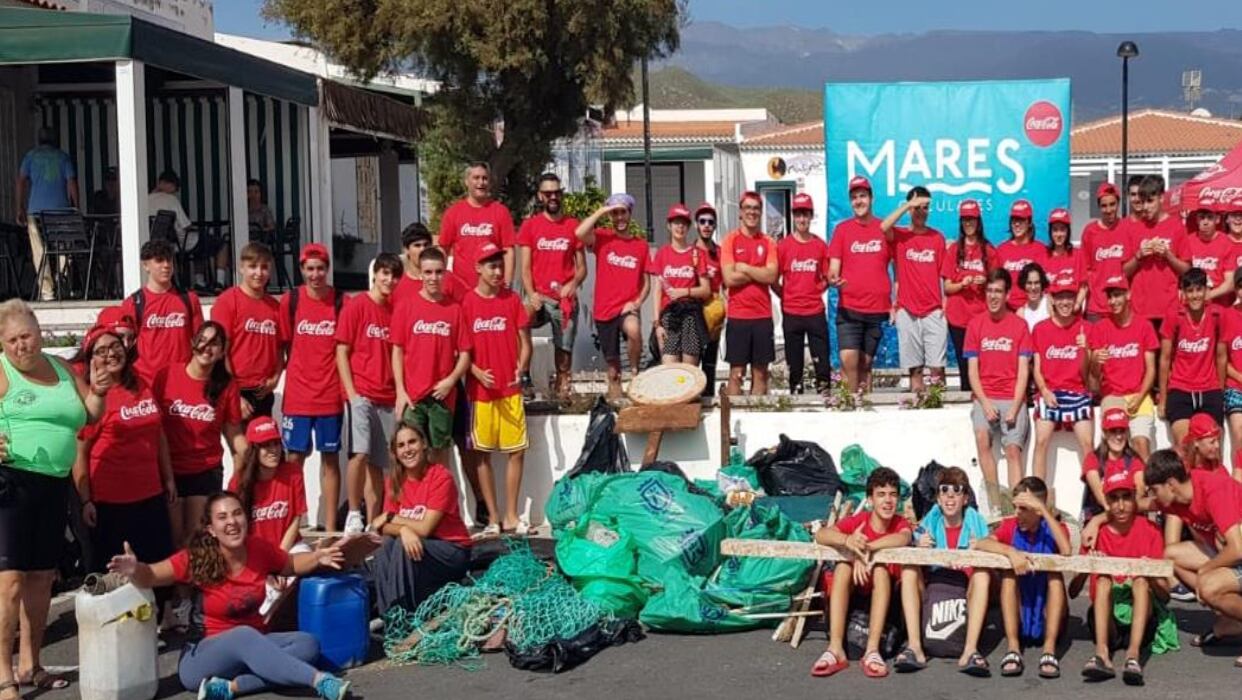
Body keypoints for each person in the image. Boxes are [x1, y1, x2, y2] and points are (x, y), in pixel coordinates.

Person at [106, 492, 351, 700]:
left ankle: (230, 688)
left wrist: (317, 557)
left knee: (308, 645)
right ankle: (319, 681)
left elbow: (292, 564)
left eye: (237, 513)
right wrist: (134, 569)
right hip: (201, 660)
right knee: (244, 636)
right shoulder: (197, 558)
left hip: (253, 648)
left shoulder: (258, 549)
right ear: (211, 529)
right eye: (222, 517)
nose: (232, 522)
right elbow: (151, 575)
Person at [0, 299, 106, 698]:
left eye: (26, 336)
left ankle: (32, 664)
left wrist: (99, 388)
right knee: (9, 583)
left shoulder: (62, 368)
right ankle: (4, 675)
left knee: (43, 578)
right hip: (11, 482)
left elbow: (90, 413)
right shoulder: (2, 370)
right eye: (11, 340)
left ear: (39, 333)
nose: (20, 346)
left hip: (53, 485)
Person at [152, 320, 246, 625]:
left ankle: (186, 601)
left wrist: (248, 457)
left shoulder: (226, 387)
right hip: (168, 468)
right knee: (171, 537)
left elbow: (235, 436)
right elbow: (152, 423)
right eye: (202, 341)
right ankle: (167, 603)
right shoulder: (168, 375)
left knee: (193, 538)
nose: (207, 348)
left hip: (204, 469)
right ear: (193, 343)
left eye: (215, 344)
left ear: (222, 352)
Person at [72, 323, 176, 589]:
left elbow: (160, 434)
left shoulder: (141, 383)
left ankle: (156, 624)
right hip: (111, 503)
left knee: (155, 566)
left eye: (116, 346)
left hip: (150, 495)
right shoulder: (91, 396)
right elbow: (79, 451)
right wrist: (86, 500)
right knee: (114, 578)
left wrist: (168, 478)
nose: (111, 354)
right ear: (91, 359)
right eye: (102, 350)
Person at [811, 467, 911, 679]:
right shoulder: (859, 521)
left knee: (881, 570)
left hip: (885, 598)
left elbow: (903, 538)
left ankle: (872, 651)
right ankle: (835, 649)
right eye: (881, 494)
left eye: (893, 495)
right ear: (870, 499)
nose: (888, 501)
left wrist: (867, 550)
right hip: (855, 594)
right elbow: (821, 534)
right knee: (843, 567)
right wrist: (848, 542)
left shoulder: (900, 522)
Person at [1143, 448, 1242, 660]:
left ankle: (1224, 606)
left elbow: (1237, 548)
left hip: (1237, 549)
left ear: (1170, 484)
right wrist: (1097, 521)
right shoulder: (1178, 496)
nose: (1153, 496)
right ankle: (1230, 619)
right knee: (1172, 555)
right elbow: (1136, 506)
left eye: (1153, 489)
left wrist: (1206, 571)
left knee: (1208, 586)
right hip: (1232, 551)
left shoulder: (1213, 490)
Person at [462, 243, 532, 537]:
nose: (498, 270)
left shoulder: (512, 299)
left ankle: (511, 515)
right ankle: (492, 517)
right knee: (482, 454)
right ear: (478, 268)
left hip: (510, 391)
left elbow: (525, 342)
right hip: (480, 395)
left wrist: (522, 368)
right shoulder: (467, 303)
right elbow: (459, 350)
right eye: (491, 265)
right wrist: (476, 372)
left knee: (517, 451)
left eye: (500, 265)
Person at [895, 467, 992, 676]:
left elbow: (991, 541)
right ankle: (915, 647)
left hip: (963, 588)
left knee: (983, 574)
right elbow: (914, 534)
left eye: (957, 490)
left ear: (965, 498)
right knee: (909, 569)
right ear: (938, 498)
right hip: (934, 587)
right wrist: (918, 542)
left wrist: (981, 545)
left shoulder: (974, 519)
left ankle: (970, 650)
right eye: (944, 490)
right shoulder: (933, 517)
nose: (950, 495)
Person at [367, 423, 472, 615]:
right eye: (401, 445)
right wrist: (402, 529)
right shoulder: (394, 481)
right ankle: (387, 615)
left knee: (401, 546)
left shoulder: (440, 477)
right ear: (395, 452)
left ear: (423, 444)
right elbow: (381, 527)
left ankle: (402, 616)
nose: (407, 449)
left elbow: (425, 529)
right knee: (384, 544)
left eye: (412, 442)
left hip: (451, 550)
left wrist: (393, 519)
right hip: (419, 546)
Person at [974, 477, 1071, 679]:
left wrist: (1044, 510)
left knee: (1055, 577)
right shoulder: (1011, 526)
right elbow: (982, 543)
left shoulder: (1053, 527)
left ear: (1037, 509)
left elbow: (1066, 550)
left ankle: (1049, 649)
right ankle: (1013, 647)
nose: (1017, 513)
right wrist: (1010, 551)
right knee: (1008, 576)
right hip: (1021, 606)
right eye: (1015, 507)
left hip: (1046, 607)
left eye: (1023, 508)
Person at [1081, 471, 1170, 686]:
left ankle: (1133, 656)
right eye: (1114, 498)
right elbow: (1074, 590)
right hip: (1106, 619)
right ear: (1106, 501)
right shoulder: (1095, 532)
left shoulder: (1151, 530)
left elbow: (1165, 595)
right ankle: (1101, 654)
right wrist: (1089, 565)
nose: (1120, 506)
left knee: (1140, 580)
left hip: (1141, 619)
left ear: (1134, 498)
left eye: (1126, 497)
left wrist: (1150, 573)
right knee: (1103, 579)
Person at [335, 254, 402, 534]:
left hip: (386, 397)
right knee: (359, 454)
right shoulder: (357, 305)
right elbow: (341, 350)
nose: (389, 280)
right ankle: (353, 512)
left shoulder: (394, 311)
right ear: (375, 275)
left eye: (394, 275)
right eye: (385, 274)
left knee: (380, 466)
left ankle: (374, 522)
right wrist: (352, 393)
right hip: (361, 393)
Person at [279, 243, 344, 530]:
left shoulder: (342, 302)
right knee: (293, 460)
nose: (315, 274)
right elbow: (282, 343)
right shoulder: (290, 301)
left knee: (330, 459)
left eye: (320, 269)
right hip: (297, 395)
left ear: (327, 270)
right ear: (302, 270)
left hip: (330, 394)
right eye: (310, 269)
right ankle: (295, 522)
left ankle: (329, 527)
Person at [391, 247, 471, 464]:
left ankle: (438, 497)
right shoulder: (406, 306)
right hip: (413, 397)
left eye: (438, 272)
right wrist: (400, 391)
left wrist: (451, 381)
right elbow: (397, 350)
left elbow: (465, 353)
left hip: (442, 397)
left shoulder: (454, 309)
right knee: (409, 455)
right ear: (421, 274)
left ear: (445, 273)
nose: (433, 278)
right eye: (428, 272)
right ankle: (412, 498)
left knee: (440, 455)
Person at [964, 269, 1034, 512]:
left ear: (1006, 295)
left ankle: (1016, 507)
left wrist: (1015, 408)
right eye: (990, 291)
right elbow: (972, 371)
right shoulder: (975, 325)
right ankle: (995, 504)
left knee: (1013, 450)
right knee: (982, 439)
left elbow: (1024, 370)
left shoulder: (1020, 325)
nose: (993, 296)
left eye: (998, 291)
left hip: (1012, 398)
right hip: (985, 397)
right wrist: (984, 403)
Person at [517, 172, 585, 400]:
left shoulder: (573, 225)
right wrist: (532, 293)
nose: (553, 197)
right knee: (520, 318)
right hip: (539, 296)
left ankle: (561, 390)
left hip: (563, 299)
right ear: (540, 196)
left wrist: (573, 283)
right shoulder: (530, 226)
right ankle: (523, 376)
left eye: (557, 192)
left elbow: (582, 268)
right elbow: (524, 268)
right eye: (548, 193)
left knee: (564, 351)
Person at [575, 194, 649, 399]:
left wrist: (636, 302)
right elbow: (579, 233)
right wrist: (602, 211)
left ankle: (635, 371)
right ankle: (616, 405)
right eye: (615, 213)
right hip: (604, 310)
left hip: (626, 308)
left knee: (634, 330)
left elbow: (646, 283)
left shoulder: (640, 245)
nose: (619, 217)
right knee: (613, 371)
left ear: (630, 214)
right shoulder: (602, 237)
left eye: (623, 212)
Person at [828, 177, 891, 393]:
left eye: (862, 196)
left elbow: (900, 267)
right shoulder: (842, 230)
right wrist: (833, 278)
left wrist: (896, 302)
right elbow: (833, 268)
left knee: (865, 364)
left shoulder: (883, 228)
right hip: (849, 308)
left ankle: (865, 413)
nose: (858, 201)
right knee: (848, 361)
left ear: (871, 198)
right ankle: (849, 409)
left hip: (877, 309)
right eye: (854, 197)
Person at [882, 187, 947, 394]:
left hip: (933, 310)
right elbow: (883, 227)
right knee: (915, 371)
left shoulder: (937, 237)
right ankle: (918, 407)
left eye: (925, 208)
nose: (921, 212)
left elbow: (944, 275)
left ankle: (940, 414)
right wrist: (909, 204)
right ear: (910, 208)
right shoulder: (900, 235)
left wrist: (945, 305)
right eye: (917, 208)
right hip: (907, 310)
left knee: (938, 370)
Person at [1030, 279, 1093, 486]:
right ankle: (1038, 496)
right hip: (1050, 392)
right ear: (1052, 300)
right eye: (1060, 297)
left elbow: (1088, 376)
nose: (1065, 302)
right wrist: (1045, 391)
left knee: (1087, 443)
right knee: (1041, 440)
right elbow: (1036, 368)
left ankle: (1093, 496)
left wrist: (1086, 351)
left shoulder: (1086, 328)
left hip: (1078, 391)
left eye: (1069, 297)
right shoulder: (1040, 329)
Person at [1089, 275, 1159, 460]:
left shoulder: (1144, 326)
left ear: (1128, 295)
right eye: (1110, 296)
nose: (1113, 301)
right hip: (1112, 396)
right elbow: (1094, 377)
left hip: (1140, 394)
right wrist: (1096, 361)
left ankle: (1147, 488)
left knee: (1141, 443)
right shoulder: (1100, 328)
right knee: (1114, 446)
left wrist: (1141, 396)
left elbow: (1151, 369)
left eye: (1117, 295)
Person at [211, 243, 282, 421]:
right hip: (237, 389)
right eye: (252, 266)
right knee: (243, 449)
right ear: (241, 268)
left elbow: (280, 348)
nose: (259, 273)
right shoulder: (227, 301)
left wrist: (276, 377)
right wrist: (233, 394)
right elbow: (220, 352)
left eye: (264, 267)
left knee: (266, 448)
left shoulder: (275, 306)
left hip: (263, 391)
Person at [122, 239, 205, 386]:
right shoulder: (134, 303)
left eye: (169, 260)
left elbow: (200, 341)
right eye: (159, 260)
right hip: (146, 382)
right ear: (146, 265)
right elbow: (124, 345)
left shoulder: (189, 299)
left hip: (182, 380)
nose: (166, 265)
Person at [1158, 267, 1224, 444]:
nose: (1195, 296)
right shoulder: (1174, 315)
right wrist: (1163, 398)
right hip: (1181, 388)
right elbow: (1164, 358)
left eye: (1199, 289)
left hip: (1210, 388)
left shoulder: (1217, 315)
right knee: (1185, 444)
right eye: (1190, 291)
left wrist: (1221, 391)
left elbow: (1221, 356)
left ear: (1206, 290)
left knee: (1212, 445)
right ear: (1183, 294)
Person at [722, 191, 779, 396]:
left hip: (762, 316)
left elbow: (772, 276)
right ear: (740, 212)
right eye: (748, 208)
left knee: (761, 373)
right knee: (737, 373)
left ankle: (757, 420)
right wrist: (759, 272)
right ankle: (734, 419)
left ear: (761, 212)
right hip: (738, 316)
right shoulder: (730, 240)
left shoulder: (768, 242)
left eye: (756, 208)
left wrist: (744, 267)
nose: (752, 212)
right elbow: (729, 279)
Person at [777, 193, 832, 394]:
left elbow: (827, 276)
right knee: (794, 364)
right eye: (798, 214)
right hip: (791, 312)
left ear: (811, 216)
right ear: (793, 216)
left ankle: (825, 396)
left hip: (815, 311)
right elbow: (774, 279)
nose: (801, 219)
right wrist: (785, 295)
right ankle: (795, 397)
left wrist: (817, 290)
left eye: (805, 215)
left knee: (822, 362)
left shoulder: (819, 245)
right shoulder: (783, 246)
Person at [16, 128, 78, 301]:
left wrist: (19, 207)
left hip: (35, 211)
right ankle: (63, 282)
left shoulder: (30, 156)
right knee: (63, 248)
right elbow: (71, 183)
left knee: (39, 250)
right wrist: (76, 207)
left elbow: (20, 181)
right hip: (61, 211)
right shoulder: (63, 157)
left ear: (39, 140)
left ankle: (47, 291)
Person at [942, 199, 995, 391]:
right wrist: (961, 284)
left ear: (978, 221)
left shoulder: (989, 250)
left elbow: (998, 285)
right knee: (964, 367)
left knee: (983, 367)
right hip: (958, 319)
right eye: (965, 219)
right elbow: (947, 287)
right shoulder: (954, 250)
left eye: (971, 219)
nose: (968, 223)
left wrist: (986, 281)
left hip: (981, 317)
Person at [1124, 175, 1187, 335]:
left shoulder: (1176, 226)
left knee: (1166, 359)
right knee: (1145, 360)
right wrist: (1139, 256)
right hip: (1140, 309)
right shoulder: (1133, 228)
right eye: (1142, 201)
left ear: (1161, 198)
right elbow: (1123, 272)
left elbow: (1187, 270)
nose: (1145, 207)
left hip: (1168, 308)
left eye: (1150, 201)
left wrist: (1168, 256)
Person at [438, 162, 516, 287]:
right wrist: (440, 279)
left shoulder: (501, 212)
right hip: (462, 289)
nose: (481, 182)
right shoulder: (453, 213)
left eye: (485, 178)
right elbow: (443, 249)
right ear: (466, 182)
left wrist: (507, 282)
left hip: (493, 289)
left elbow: (508, 250)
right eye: (476, 178)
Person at [651, 204, 710, 366]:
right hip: (669, 316)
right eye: (676, 223)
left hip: (690, 314)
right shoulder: (662, 253)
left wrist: (684, 291)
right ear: (669, 226)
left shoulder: (697, 254)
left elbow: (706, 290)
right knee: (669, 367)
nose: (680, 227)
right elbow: (657, 289)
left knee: (689, 370)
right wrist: (657, 323)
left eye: (684, 223)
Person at [1080, 407, 1148, 523]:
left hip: (1129, 514)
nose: (1119, 436)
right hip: (1102, 512)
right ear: (1104, 433)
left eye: (1122, 431)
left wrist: (1124, 513)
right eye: (1113, 431)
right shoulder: (1093, 459)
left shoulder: (1134, 459)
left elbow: (1140, 490)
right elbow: (1099, 495)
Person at [1082, 183, 1133, 322]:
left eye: (1112, 204)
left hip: (1122, 307)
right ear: (1099, 207)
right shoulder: (1090, 232)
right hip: (1097, 307)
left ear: (1118, 204)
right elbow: (1085, 270)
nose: (1109, 209)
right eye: (1104, 206)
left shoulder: (1127, 228)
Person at [393, 223, 468, 309]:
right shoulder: (397, 286)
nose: (423, 249)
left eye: (426, 245)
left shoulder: (447, 278)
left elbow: (471, 305)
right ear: (406, 250)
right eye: (417, 245)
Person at [694, 202, 726, 396]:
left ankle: (708, 396)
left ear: (714, 226)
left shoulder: (720, 252)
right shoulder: (691, 252)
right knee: (692, 356)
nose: (706, 225)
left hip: (713, 307)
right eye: (702, 221)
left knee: (710, 357)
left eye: (710, 222)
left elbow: (727, 283)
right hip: (694, 308)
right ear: (697, 225)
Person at [1177, 204, 1235, 306]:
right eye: (1202, 217)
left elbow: (1230, 283)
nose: (1205, 222)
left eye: (1209, 218)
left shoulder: (1226, 243)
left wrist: (1208, 295)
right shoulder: (1187, 241)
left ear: (1217, 220)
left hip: (1217, 303)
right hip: (1190, 302)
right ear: (1197, 220)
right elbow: (1178, 275)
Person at [994, 200, 1047, 312]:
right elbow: (996, 283)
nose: (1017, 224)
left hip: (1033, 309)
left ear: (1029, 223)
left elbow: (1045, 284)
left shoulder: (1041, 249)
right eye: (1014, 220)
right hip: (1007, 310)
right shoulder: (1001, 250)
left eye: (1021, 220)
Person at [1042, 208, 1087, 312]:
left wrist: (1077, 304)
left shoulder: (1077, 254)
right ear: (1050, 232)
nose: (1059, 234)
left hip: (1073, 312)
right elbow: (1042, 290)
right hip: (1051, 313)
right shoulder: (1043, 256)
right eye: (1055, 230)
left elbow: (1083, 286)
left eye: (1062, 229)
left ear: (1068, 231)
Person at [1221, 267, 1242, 471]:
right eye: (1241, 286)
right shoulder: (1228, 316)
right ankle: (1239, 478)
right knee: (1239, 432)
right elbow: (1222, 359)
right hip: (1235, 385)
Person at [148, 170, 195, 251]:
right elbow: (185, 225)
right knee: (219, 244)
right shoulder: (171, 199)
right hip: (177, 243)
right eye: (174, 186)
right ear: (164, 183)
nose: (175, 190)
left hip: (152, 241)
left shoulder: (145, 199)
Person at [1015, 263, 1049, 333]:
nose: (1033, 287)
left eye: (1036, 283)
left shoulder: (1049, 303)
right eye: (1029, 283)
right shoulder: (1021, 313)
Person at [246, 179, 277, 245]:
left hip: (260, 244)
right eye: (250, 192)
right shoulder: (243, 210)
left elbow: (271, 227)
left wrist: (261, 231)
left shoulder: (265, 210)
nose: (253, 195)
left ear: (260, 194)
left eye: (256, 192)